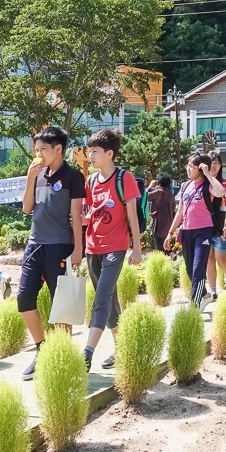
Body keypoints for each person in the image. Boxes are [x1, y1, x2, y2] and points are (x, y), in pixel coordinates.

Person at [18, 125, 85, 380]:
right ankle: (42, 349)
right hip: (35, 244)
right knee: (24, 299)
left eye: (43, 149)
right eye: (37, 149)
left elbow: (77, 216)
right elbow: (26, 209)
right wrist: (30, 178)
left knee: (62, 306)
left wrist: (78, 249)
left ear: (58, 149)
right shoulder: (39, 174)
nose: (39, 153)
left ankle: (63, 357)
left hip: (60, 246)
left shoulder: (72, 176)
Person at [82, 128, 142, 371]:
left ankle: (87, 352)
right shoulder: (90, 182)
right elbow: (85, 215)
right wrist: (84, 219)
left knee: (101, 298)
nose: (90, 156)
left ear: (109, 154)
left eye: (94, 152)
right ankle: (123, 348)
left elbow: (133, 217)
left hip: (116, 247)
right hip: (91, 247)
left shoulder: (123, 178)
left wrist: (137, 249)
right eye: (89, 151)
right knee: (109, 300)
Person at [165, 153, 225, 306]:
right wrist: (170, 233)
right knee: (190, 270)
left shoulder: (208, 185)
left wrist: (208, 174)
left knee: (198, 269)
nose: (188, 169)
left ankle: (195, 306)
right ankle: (205, 295)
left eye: (192, 166)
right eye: (187, 165)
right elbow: (180, 212)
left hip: (203, 231)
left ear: (201, 167)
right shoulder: (186, 186)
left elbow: (220, 192)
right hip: (186, 231)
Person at [206, 151, 226, 299]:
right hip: (205, 227)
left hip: (221, 226)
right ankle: (212, 290)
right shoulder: (203, 184)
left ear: (220, 165)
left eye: (216, 162)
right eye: (211, 162)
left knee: (220, 257)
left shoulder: (225, 183)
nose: (213, 165)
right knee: (209, 258)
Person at [146, 173, 176, 251]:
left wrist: (150, 186)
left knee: (159, 245)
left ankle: (164, 258)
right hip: (169, 221)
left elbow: (144, 196)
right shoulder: (171, 193)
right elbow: (173, 207)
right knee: (165, 242)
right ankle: (171, 254)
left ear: (159, 183)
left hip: (159, 221)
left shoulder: (159, 192)